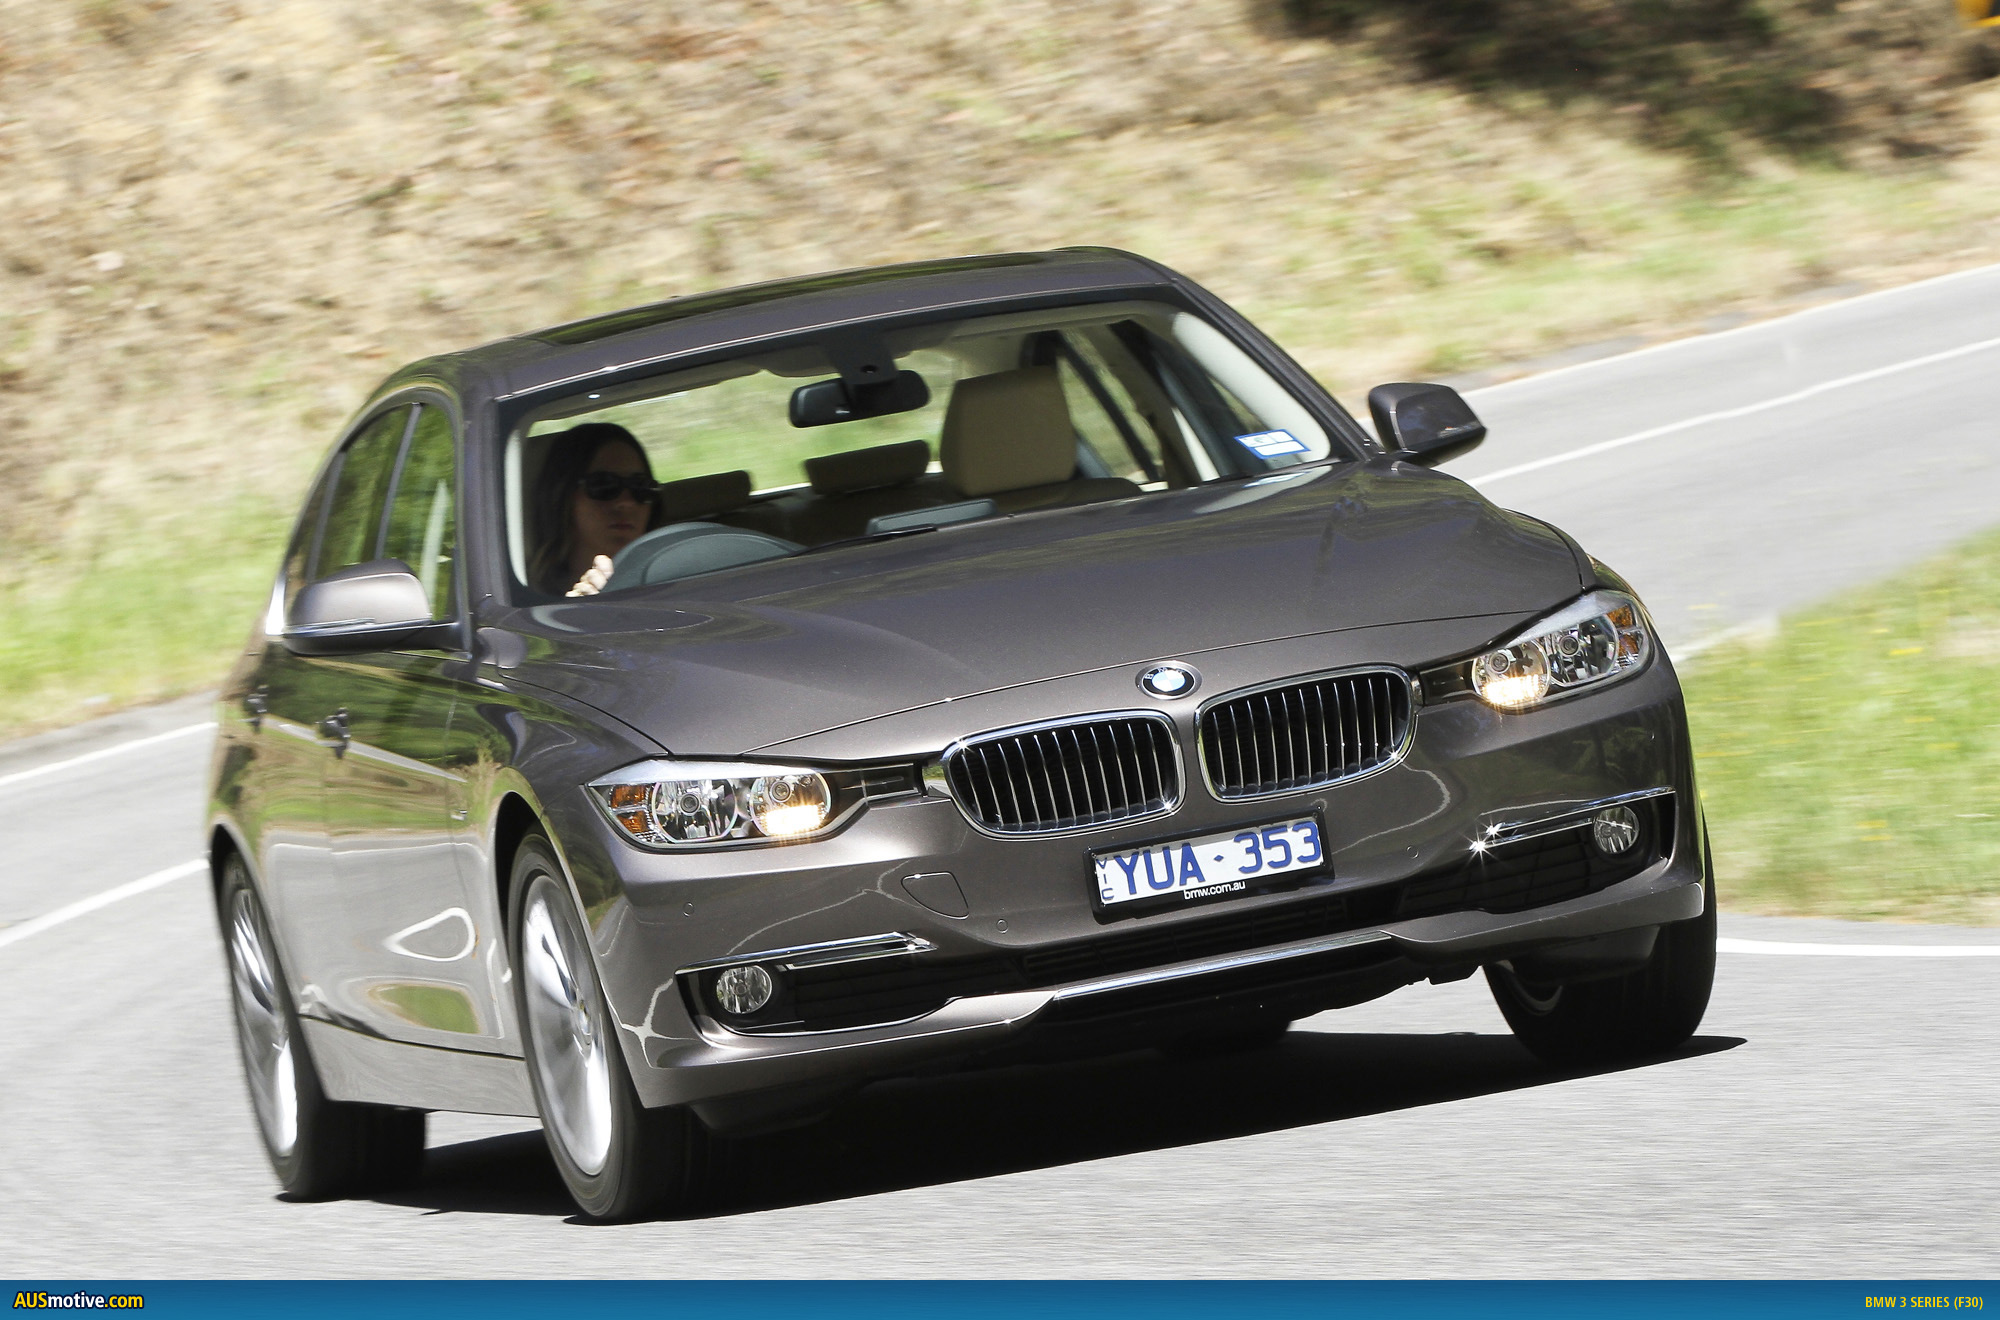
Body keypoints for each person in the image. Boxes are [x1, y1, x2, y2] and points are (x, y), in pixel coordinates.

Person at [527, 422, 661, 597]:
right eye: (603, 486)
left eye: (641, 487)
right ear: (563, 497)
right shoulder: (525, 597)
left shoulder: (675, 575)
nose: (626, 502)